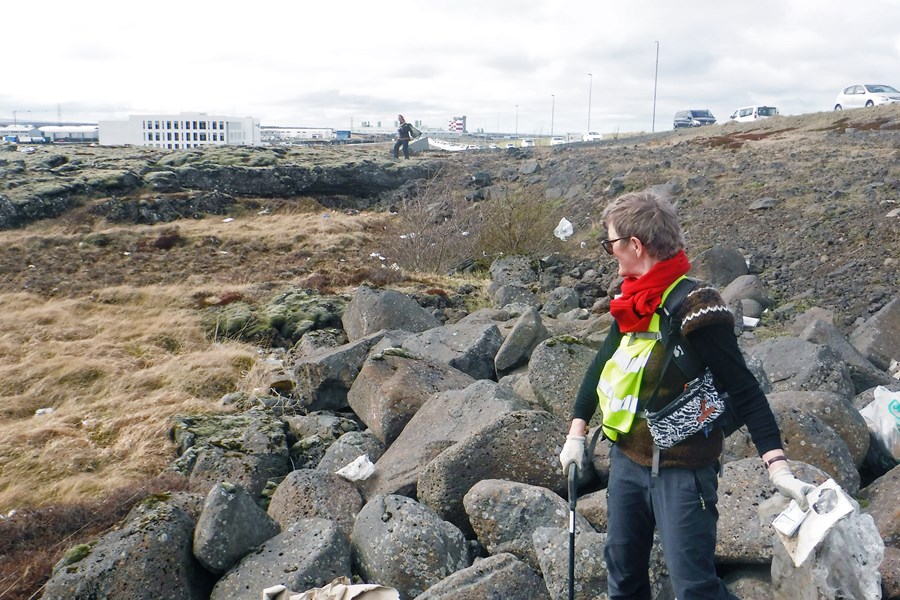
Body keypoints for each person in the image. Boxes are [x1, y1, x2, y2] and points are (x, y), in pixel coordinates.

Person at [558, 191, 814, 600]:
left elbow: (743, 387)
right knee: (623, 578)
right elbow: (602, 364)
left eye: (611, 244)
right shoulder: (632, 300)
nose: (610, 254)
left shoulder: (697, 306)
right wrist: (576, 433)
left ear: (634, 246)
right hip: (626, 461)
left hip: (683, 471)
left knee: (694, 587)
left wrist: (777, 467)